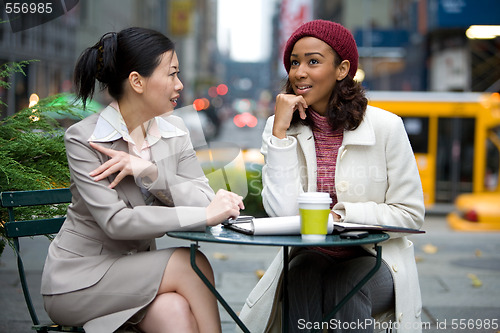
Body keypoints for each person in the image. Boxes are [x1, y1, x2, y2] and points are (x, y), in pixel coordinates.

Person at [41, 27, 244, 333]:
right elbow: (117, 222)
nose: (180, 84)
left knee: (174, 310)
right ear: (137, 81)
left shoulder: (176, 130)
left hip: (139, 275)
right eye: (172, 74)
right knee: (191, 263)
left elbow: (204, 199)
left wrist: (150, 171)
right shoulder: (84, 138)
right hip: (78, 279)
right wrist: (204, 214)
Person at [238, 20, 425, 332]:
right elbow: (284, 213)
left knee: (346, 282)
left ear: (342, 69)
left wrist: (340, 216)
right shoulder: (279, 126)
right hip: (311, 256)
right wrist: (280, 135)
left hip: (376, 260)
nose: (299, 72)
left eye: (313, 61)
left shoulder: (386, 127)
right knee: (301, 274)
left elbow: (411, 213)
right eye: (294, 62)